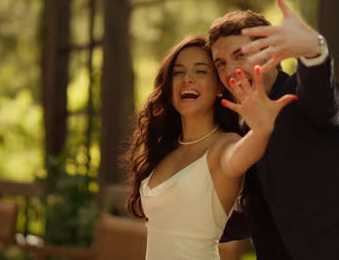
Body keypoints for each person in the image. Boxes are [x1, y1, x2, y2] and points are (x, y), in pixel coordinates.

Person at [207, 0, 339, 259]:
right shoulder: (246, 134)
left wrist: (314, 50)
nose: (230, 70)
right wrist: (183, 223)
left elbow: (321, 90)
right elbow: (256, 211)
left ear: (270, 52)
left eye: (240, 55)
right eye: (220, 63)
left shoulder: (302, 95)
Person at [125, 36, 295, 259]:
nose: (188, 79)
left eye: (201, 71)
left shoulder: (225, 146)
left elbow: (239, 156)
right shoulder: (166, 148)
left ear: (218, 88)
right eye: (178, 72)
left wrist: (262, 131)